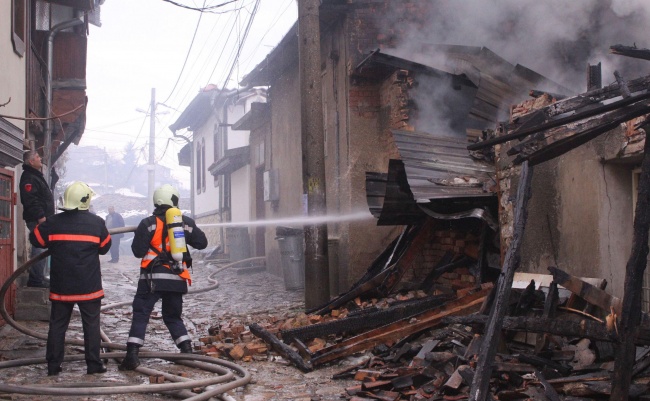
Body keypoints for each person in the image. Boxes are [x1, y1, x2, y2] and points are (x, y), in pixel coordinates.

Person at [119, 184, 207, 371]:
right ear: (174, 200)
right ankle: (186, 349)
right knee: (173, 316)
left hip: (151, 280)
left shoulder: (148, 223)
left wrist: (142, 234)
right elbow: (202, 242)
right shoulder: (185, 223)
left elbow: (137, 252)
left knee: (141, 314)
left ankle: (132, 356)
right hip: (176, 279)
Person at [29, 181, 111, 376]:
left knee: (57, 325)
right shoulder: (97, 223)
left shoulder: (53, 222)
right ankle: (93, 364)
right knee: (91, 325)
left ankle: (53, 365)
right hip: (89, 287)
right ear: (86, 200)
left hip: (61, 287)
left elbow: (36, 240)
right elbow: (105, 248)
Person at [20, 150, 55, 288]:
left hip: (43, 219)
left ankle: (38, 278)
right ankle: (35, 281)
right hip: (37, 220)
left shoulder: (35, 176)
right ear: (31, 161)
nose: (40, 158)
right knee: (39, 247)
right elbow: (31, 200)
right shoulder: (29, 177)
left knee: (42, 246)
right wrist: (41, 217)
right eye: (37, 157)